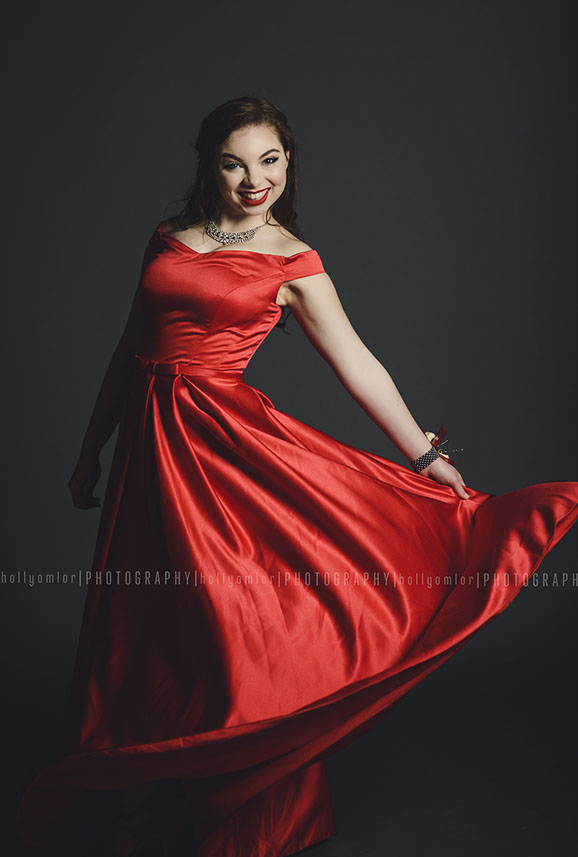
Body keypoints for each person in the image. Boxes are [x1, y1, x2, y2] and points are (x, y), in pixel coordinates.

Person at [16, 96, 578, 857]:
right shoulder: (166, 237)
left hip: (221, 458)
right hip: (151, 456)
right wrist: (92, 450)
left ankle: (251, 807)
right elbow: (129, 348)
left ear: (288, 162)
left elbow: (357, 365)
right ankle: (130, 790)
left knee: (229, 630)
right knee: (145, 621)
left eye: (271, 161)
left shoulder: (292, 260)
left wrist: (428, 456)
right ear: (206, 162)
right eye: (235, 162)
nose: (256, 180)